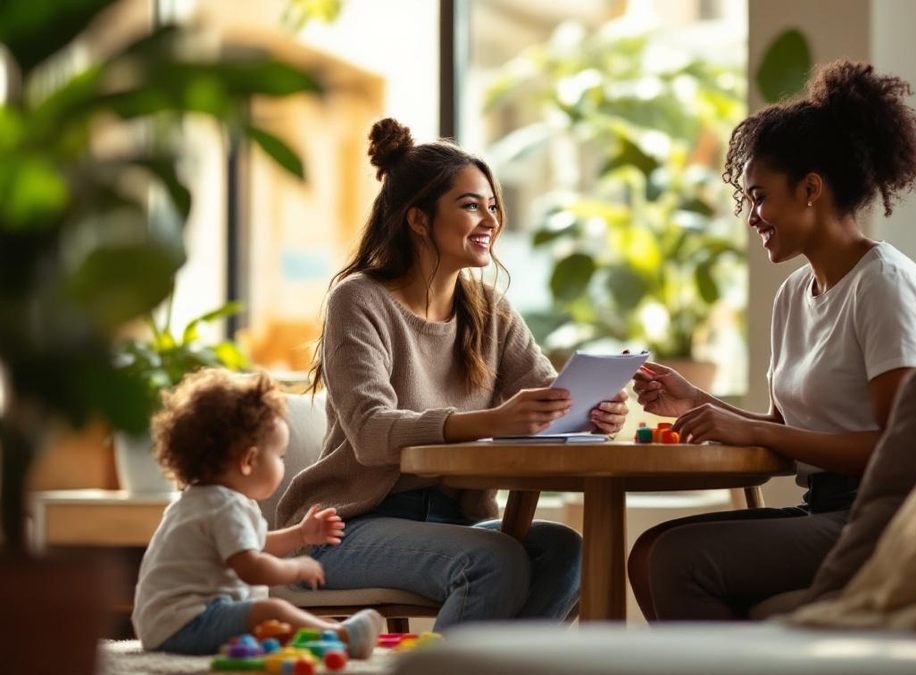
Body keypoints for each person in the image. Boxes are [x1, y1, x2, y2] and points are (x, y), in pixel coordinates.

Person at [627, 60, 916, 621]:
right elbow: (786, 430)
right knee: (649, 553)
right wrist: (697, 403)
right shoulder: (795, 293)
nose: (752, 216)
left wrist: (743, 425)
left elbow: (901, 446)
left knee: (676, 559)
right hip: (823, 507)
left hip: (885, 514)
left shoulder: (884, 285)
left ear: (810, 189)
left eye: (759, 196)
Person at [275, 119, 629, 629]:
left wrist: (590, 412)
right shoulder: (359, 300)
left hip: (454, 519)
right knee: (493, 560)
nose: (490, 219)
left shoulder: (489, 308)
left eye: (492, 205)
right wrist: (493, 421)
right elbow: (373, 433)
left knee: (566, 549)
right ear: (418, 220)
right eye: (470, 205)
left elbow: (545, 400)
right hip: (343, 528)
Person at [132, 368, 384, 656]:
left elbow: (255, 543)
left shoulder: (200, 500)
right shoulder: (224, 506)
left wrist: (301, 534)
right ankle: (342, 636)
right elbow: (252, 568)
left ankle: (322, 633)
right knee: (270, 610)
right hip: (188, 622)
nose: (282, 463)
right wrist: (296, 569)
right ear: (249, 460)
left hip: (168, 623)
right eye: (280, 456)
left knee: (276, 621)